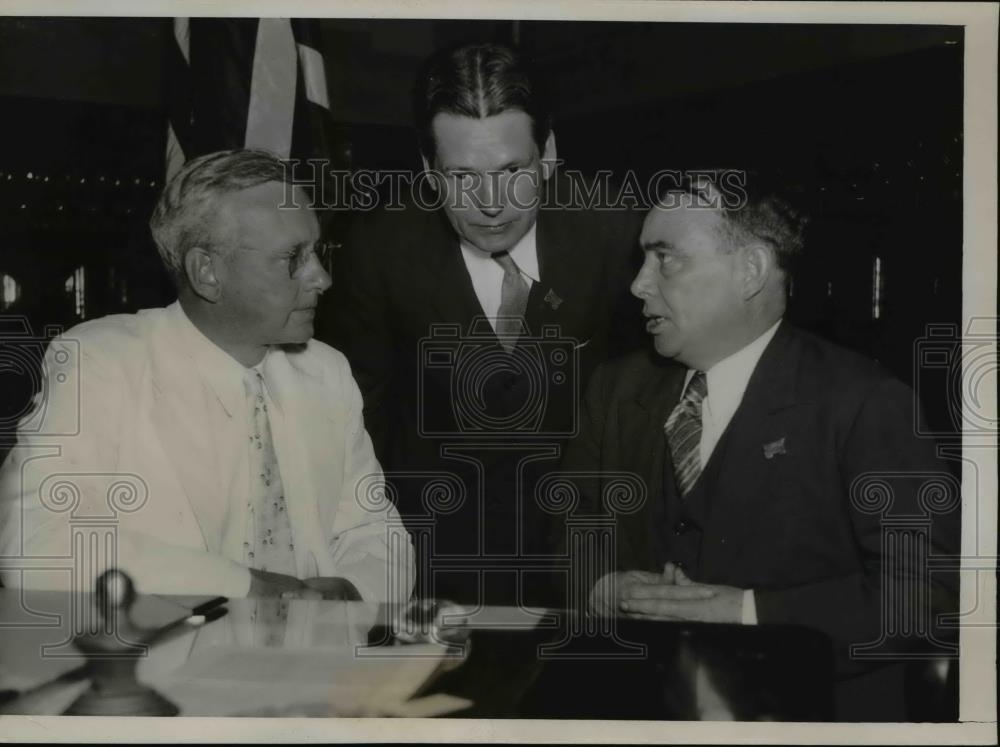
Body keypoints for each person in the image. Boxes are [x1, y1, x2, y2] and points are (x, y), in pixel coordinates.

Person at [559, 175, 960, 720]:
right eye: (641, 260)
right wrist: (604, 587)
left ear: (749, 271)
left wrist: (743, 611)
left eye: (665, 260)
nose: (637, 285)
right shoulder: (614, 389)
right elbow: (565, 532)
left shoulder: (864, 402)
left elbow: (930, 593)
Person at [0, 149, 413, 604]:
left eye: (317, 251)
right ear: (207, 272)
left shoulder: (326, 370)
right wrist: (246, 587)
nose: (321, 278)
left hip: (313, 664)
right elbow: (38, 549)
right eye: (292, 257)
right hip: (165, 667)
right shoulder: (102, 363)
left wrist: (349, 591)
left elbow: (374, 531)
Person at [320, 42, 643, 605]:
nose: (490, 203)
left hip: (593, 558)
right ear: (428, 170)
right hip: (436, 564)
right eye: (462, 176)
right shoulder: (379, 249)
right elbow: (359, 425)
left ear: (548, 155)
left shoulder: (617, 234)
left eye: (512, 170)